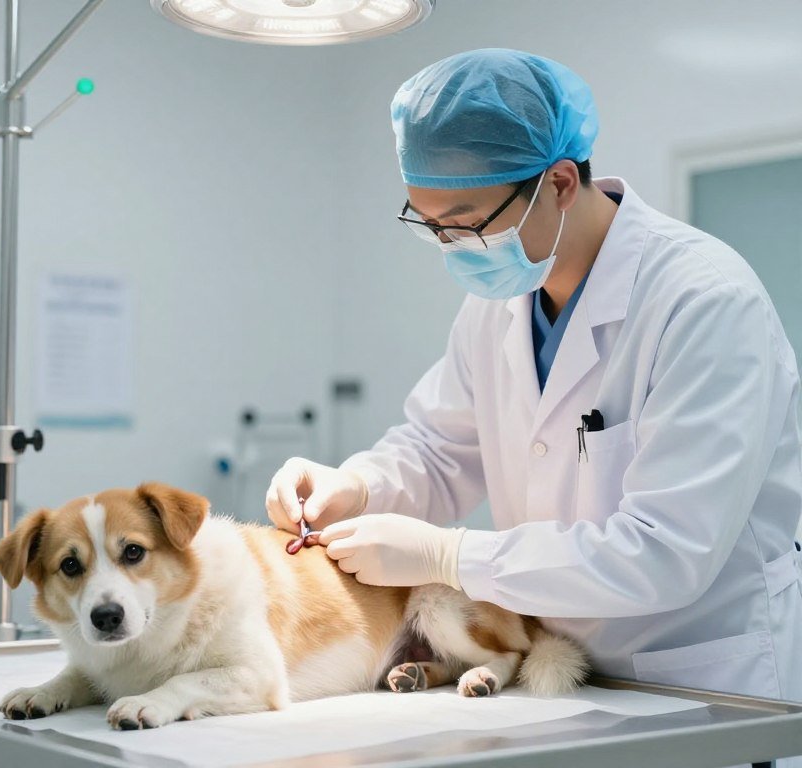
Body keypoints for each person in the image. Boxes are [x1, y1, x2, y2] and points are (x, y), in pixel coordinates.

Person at [266, 49, 802, 714]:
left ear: (560, 184)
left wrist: (449, 556)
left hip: (699, 677)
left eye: (466, 222)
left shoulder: (703, 302)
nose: (452, 247)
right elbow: (439, 448)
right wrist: (358, 485)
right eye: (431, 226)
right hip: (559, 675)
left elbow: (667, 552)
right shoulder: (497, 306)